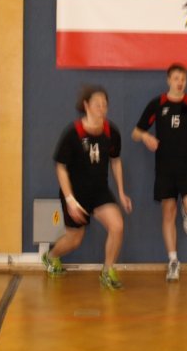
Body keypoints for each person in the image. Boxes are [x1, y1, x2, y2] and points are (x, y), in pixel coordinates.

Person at [45, 85, 133, 290]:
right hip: (75, 193)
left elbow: (115, 160)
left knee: (117, 226)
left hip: (99, 191)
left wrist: (121, 192)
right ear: (86, 106)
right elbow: (61, 167)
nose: (102, 108)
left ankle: (107, 272)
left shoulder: (111, 132)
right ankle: (51, 256)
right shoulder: (73, 133)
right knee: (75, 239)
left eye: (104, 104)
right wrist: (70, 200)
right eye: (97, 104)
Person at [132, 63, 187, 282]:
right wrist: (146, 137)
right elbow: (135, 132)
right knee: (168, 213)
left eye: (183, 79)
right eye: (176, 78)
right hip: (165, 167)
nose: (180, 82)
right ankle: (173, 261)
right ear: (168, 80)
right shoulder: (157, 104)